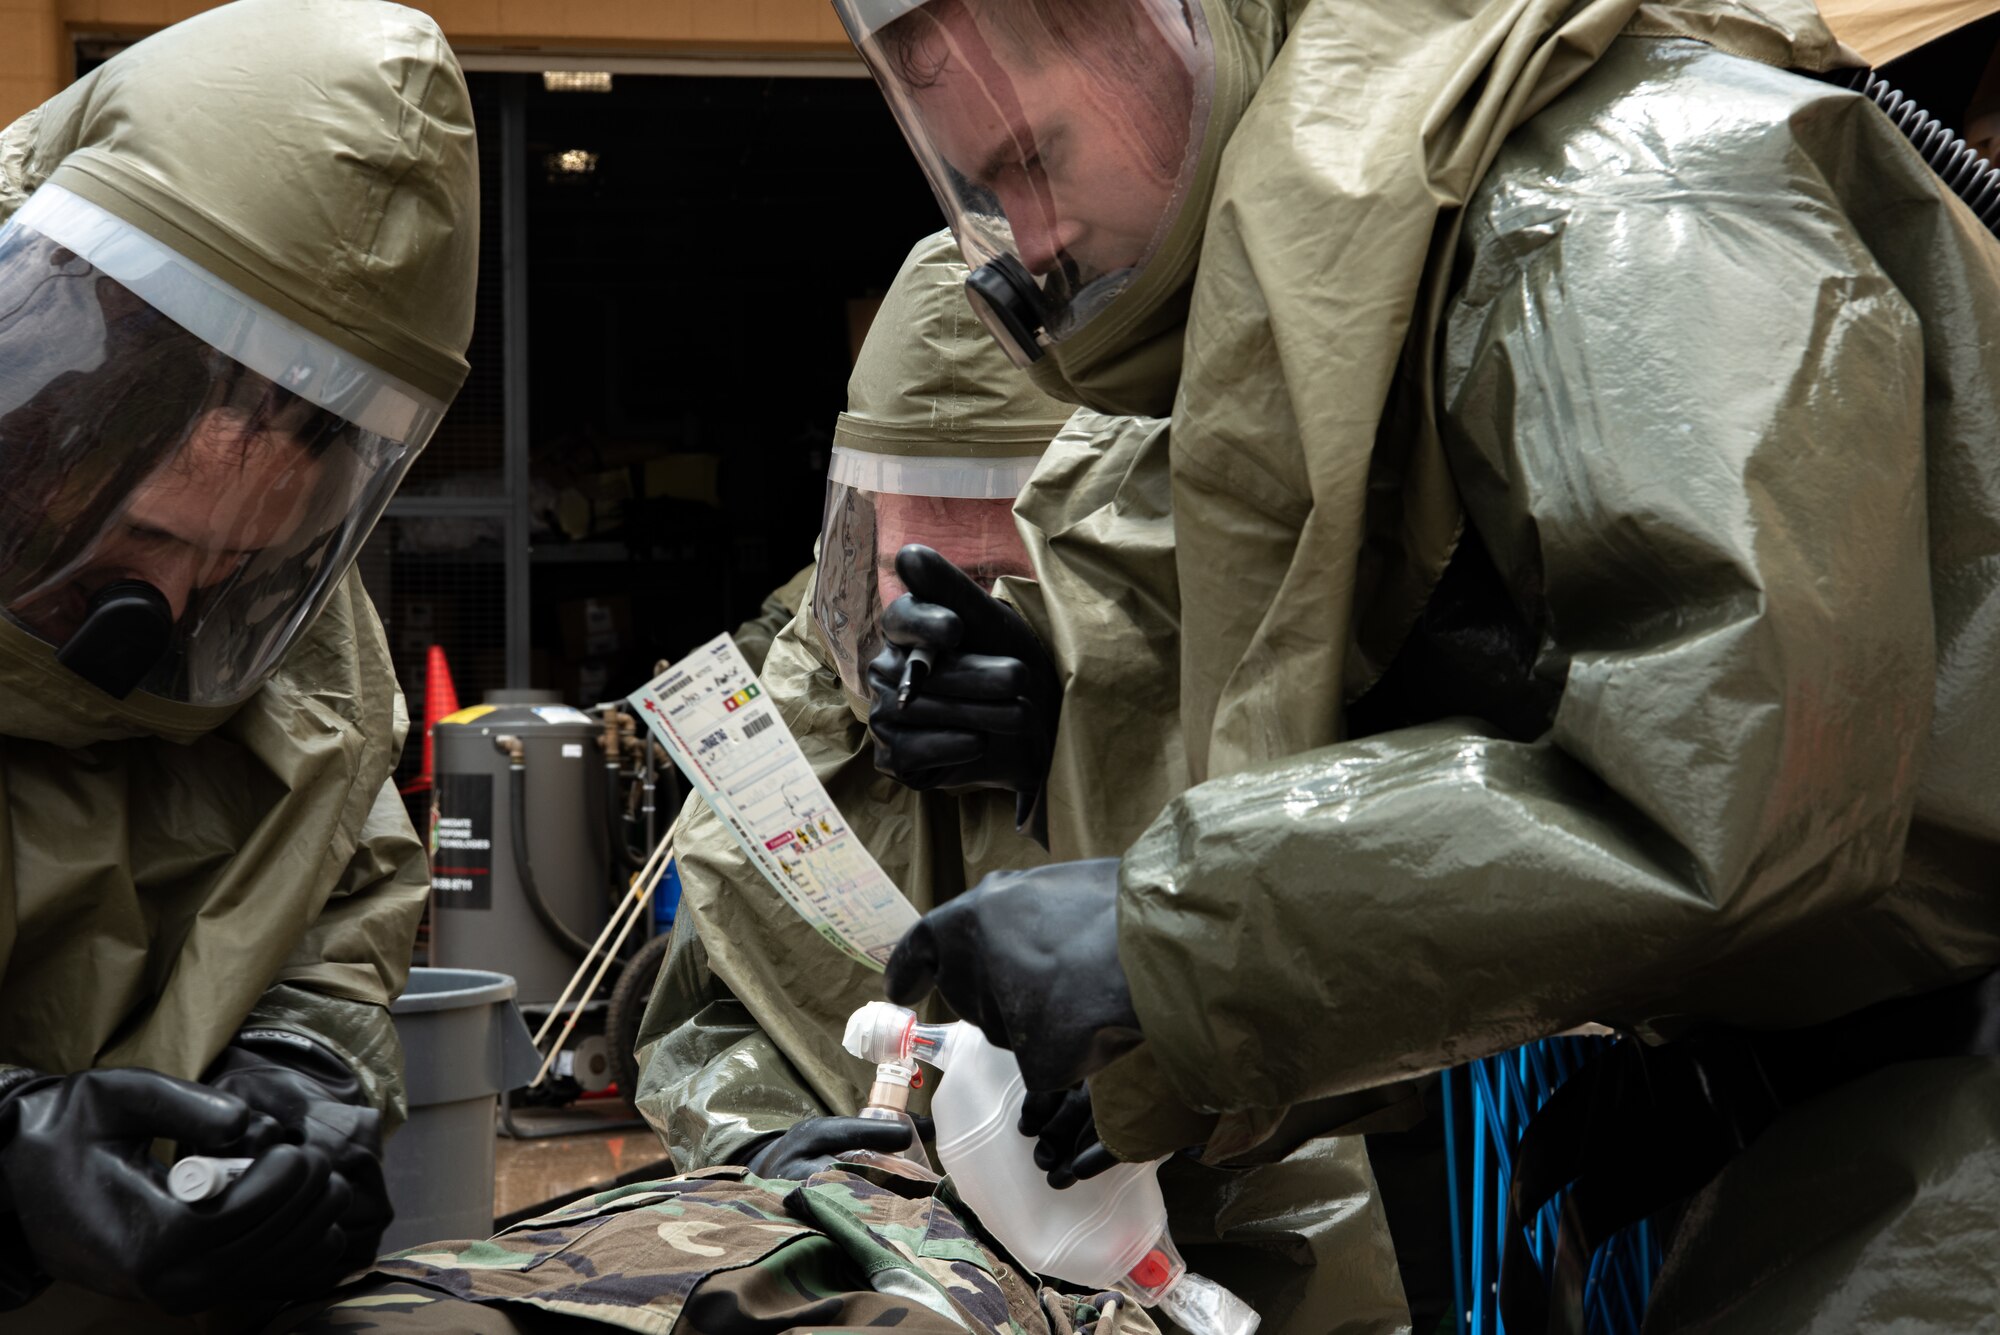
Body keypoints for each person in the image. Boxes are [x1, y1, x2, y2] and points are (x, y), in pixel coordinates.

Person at [842, 0, 2000, 1327]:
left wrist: (1157, 935)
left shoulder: (1620, 203)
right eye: (989, 189)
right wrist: (1075, 733)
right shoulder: (1361, 281)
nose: (1033, 242)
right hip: (1816, 1090)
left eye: (1041, 158)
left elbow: (1748, 776)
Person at [0, 0, 478, 1327]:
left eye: (229, 562)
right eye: (143, 534)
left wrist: (304, 1071)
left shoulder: (293, 636)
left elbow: (342, 889)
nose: (166, 604)